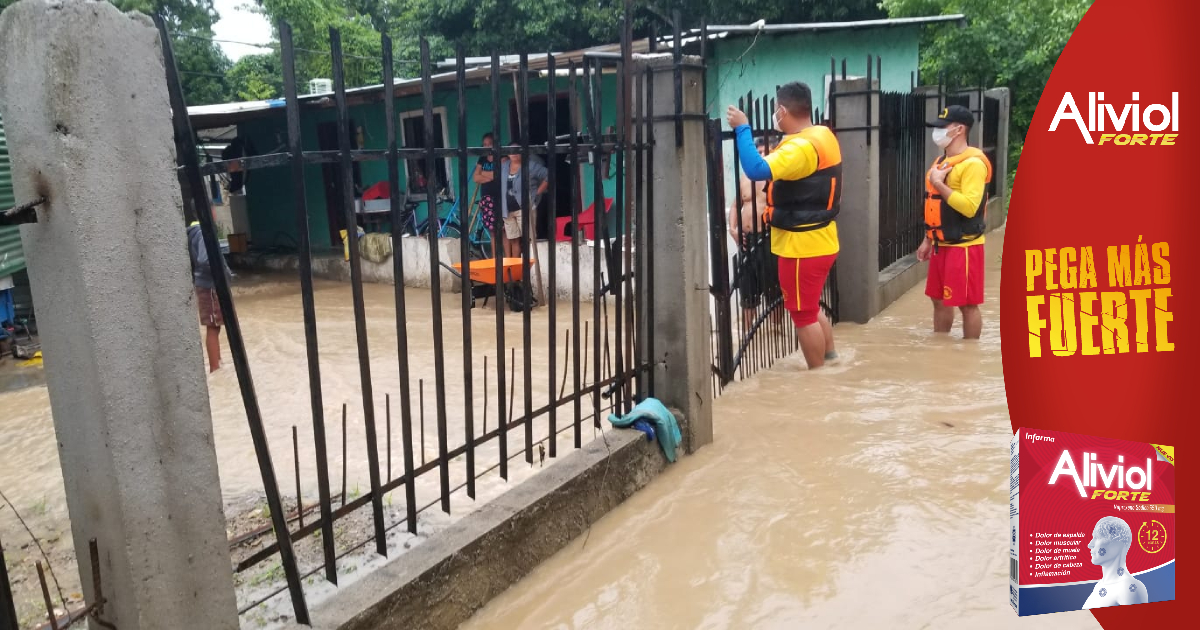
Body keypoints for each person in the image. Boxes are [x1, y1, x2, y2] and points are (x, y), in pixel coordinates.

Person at [726, 82, 839, 369]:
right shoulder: (822, 135)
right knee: (812, 308)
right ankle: (831, 362)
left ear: (782, 110)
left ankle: (818, 377)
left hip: (802, 246)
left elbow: (756, 170)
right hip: (820, 239)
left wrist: (742, 128)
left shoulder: (802, 147)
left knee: (802, 315)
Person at [916, 104, 993, 340]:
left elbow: (970, 207)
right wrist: (928, 239)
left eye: (943, 127)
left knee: (967, 305)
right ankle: (941, 347)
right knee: (938, 299)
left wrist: (940, 183)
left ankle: (969, 355)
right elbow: (935, 206)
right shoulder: (941, 161)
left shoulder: (973, 164)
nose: (937, 132)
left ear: (959, 130)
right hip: (941, 244)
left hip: (964, 246)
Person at [727, 137, 781, 332]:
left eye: (764, 152)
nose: (760, 156)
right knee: (746, 288)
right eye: (757, 153)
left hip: (769, 238)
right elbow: (735, 205)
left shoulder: (777, 177)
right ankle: (747, 336)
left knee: (773, 288)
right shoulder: (745, 178)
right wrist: (732, 229)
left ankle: (776, 332)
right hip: (746, 239)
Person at [187, 220, 231, 373]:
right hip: (209, 285)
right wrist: (221, 272)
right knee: (213, 327)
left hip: (206, 284)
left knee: (215, 327)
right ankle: (215, 369)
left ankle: (218, 363)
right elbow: (205, 259)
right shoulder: (202, 231)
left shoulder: (193, 232)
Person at [497, 144, 549, 258]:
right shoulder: (504, 166)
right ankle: (517, 270)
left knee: (529, 239)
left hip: (525, 208)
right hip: (507, 210)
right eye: (511, 150)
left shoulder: (530, 165)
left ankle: (533, 269)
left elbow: (549, 175)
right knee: (514, 240)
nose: (514, 153)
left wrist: (537, 192)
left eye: (517, 150)